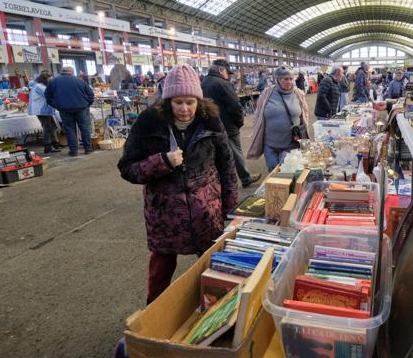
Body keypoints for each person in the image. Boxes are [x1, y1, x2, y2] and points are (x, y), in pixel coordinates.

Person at [118, 64, 238, 303]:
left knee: (213, 267)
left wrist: (231, 209)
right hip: (165, 216)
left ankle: (219, 309)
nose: (185, 109)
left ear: (199, 101)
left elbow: (227, 165)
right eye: (178, 102)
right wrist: (162, 161)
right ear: (168, 101)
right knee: (160, 271)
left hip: (206, 212)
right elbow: (127, 168)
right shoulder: (149, 123)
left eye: (190, 102)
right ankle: (154, 313)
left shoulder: (211, 121)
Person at [202, 59, 261, 188]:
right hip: (228, 126)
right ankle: (245, 178)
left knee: (216, 155)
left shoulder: (203, 82)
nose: (229, 75)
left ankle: (217, 182)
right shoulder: (223, 84)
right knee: (236, 152)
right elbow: (235, 106)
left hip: (209, 126)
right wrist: (239, 122)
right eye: (228, 72)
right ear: (220, 70)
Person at [247, 67, 309, 171]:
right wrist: (256, 127)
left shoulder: (298, 94)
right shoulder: (267, 93)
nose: (289, 81)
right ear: (278, 79)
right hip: (271, 145)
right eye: (285, 79)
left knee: (289, 172)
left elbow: (305, 115)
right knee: (273, 172)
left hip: (291, 144)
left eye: (291, 78)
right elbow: (257, 114)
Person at [45, 66, 94, 157]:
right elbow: (90, 94)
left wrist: (55, 105)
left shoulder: (53, 82)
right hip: (81, 108)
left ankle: (74, 151)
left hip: (64, 109)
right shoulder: (79, 81)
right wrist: (88, 104)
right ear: (72, 72)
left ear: (62, 72)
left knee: (70, 129)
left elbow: (47, 96)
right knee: (85, 128)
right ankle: (88, 149)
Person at [28, 70, 62, 154]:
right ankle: (48, 147)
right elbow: (50, 95)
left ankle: (55, 143)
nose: (51, 81)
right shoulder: (40, 87)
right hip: (42, 111)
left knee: (53, 127)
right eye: (50, 79)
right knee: (47, 128)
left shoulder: (41, 86)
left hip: (46, 110)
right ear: (45, 79)